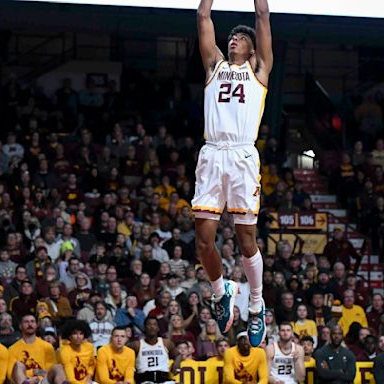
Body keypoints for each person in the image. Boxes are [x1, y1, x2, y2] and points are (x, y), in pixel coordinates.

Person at [193, 0, 273, 347]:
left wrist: (257, 18)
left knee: (245, 240)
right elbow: (202, 16)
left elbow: (262, 15)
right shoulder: (214, 65)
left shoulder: (260, 71)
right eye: (232, 38)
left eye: (240, 38)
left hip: (242, 155)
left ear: (253, 47)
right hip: (212, 153)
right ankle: (220, 290)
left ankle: (256, 306)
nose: (233, 40)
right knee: (203, 239)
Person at [8, 314, 65, 384]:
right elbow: (10, 374)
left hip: (43, 380)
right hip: (24, 380)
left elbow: (49, 370)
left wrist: (38, 378)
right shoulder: (12, 349)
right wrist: (32, 373)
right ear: (20, 326)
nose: (30, 324)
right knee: (18, 365)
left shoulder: (47, 346)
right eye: (26, 322)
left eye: (32, 321)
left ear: (37, 325)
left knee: (58, 367)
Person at [128, 316, 180, 383]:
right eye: (149, 324)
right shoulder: (137, 345)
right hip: (144, 380)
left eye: (154, 324)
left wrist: (176, 364)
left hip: (164, 379)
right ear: (144, 328)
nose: (152, 327)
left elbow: (178, 355)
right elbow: (124, 352)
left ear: (158, 328)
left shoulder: (166, 343)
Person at [58, 320, 96, 384]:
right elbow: (70, 377)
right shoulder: (65, 351)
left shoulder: (89, 347)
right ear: (69, 336)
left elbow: (92, 365)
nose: (78, 337)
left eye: (81, 333)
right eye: (75, 333)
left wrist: (89, 378)